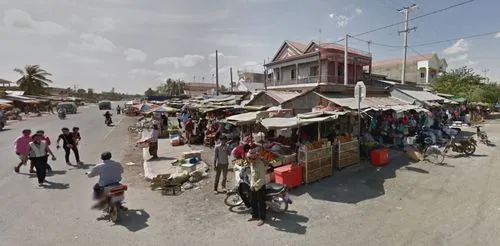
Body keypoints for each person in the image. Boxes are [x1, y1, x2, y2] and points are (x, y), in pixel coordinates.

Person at [247, 146, 266, 226]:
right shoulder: (252, 164)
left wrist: (254, 185)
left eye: (251, 159)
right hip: (253, 186)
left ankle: (262, 218)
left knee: (261, 203)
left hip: (260, 186)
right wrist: (251, 184)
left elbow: (262, 178)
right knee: (253, 201)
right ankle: (255, 215)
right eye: (249, 159)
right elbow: (252, 175)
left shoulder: (260, 165)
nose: (250, 160)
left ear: (254, 158)